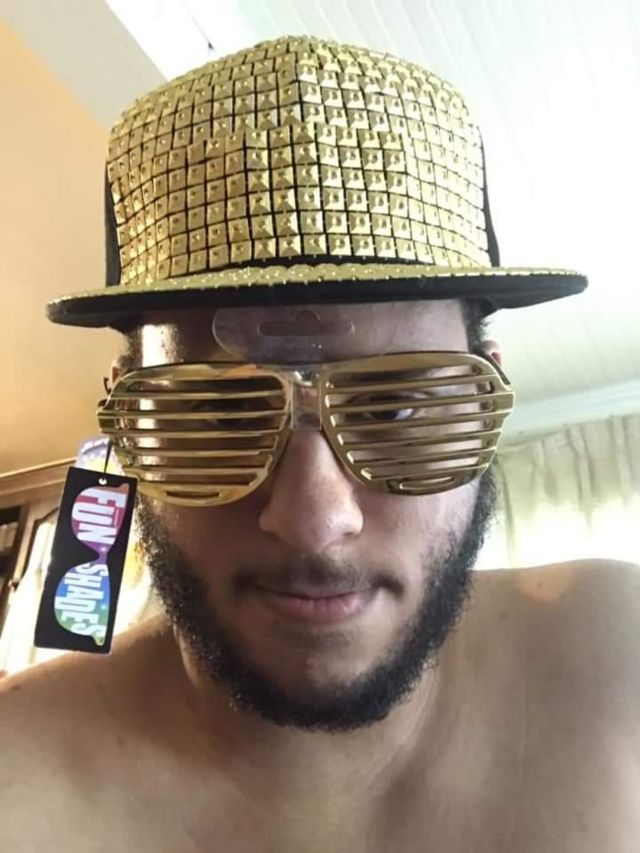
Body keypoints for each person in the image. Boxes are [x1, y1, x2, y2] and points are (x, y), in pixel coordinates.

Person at [1, 35, 638, 852]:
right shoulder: (16, 781)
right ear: (126, 422)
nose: (312, 520)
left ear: (489, 393)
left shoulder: (622, 661)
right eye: (220, 414)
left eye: (397, 408)